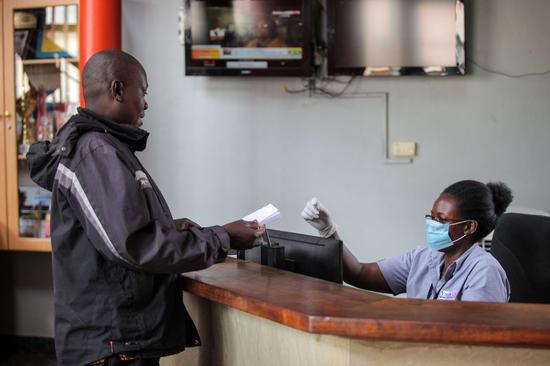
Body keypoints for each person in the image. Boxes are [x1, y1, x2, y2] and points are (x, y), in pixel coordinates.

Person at [27, 49, 264, 366]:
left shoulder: (103, 146)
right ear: (118, 90)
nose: (147, 103)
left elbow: (112, 231)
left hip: (117, 341)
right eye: (144, 91)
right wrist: (224, 237)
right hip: (113, 345)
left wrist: (170, 227)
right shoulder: (96, 150)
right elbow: (135, 246)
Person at [301, 180, 513, 302]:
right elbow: (358, 273)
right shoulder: (422, 259)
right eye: (431, 216)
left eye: (442, 220)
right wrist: (328, 231)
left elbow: (474, 339)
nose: (432, 224)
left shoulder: (484, 271)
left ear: (468, 227)